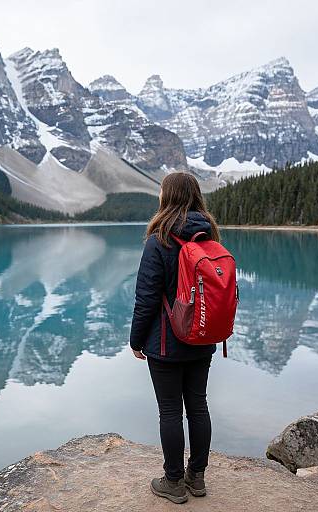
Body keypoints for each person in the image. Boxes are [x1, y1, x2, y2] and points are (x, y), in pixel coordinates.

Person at [129, 171, 220, 504]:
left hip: (166, 343)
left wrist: (136, 341)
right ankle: (197, 478)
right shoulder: (209, 236)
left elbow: (147, 298)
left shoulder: (160, 239)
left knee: (170, 411)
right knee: (198, 406)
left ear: (167, 197)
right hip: (203, 336)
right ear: (196, 196)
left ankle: (173, 483)